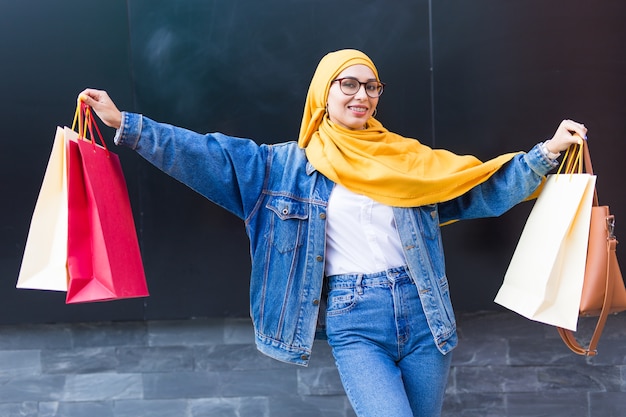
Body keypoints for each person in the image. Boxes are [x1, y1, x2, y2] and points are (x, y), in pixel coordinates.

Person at [79, 49, 587, 417]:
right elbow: (207, 154)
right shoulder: (283, 168)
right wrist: (127, 123)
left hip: (424, 311)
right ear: (325, 92)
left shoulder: (407, 161)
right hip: (354, 321)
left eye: (371, 86)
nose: (361, 95)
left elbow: (479, 188)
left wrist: (545, 152)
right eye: (349, 84)